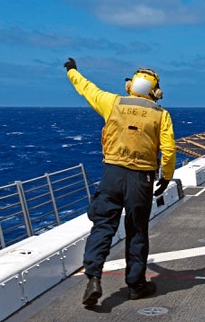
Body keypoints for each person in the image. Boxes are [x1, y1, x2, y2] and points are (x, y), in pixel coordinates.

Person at [64, 57, 176, 306]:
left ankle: (94, 278)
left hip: (112, 175)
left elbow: (86, 88)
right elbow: (168, 150)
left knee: (103, 226)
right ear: (156, 92)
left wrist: (72, 71)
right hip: (142, 179)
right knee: (137, 231)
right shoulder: (161, 115)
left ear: (130, 86)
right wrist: (167, 176)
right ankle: (136, 285)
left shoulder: (113, 102)